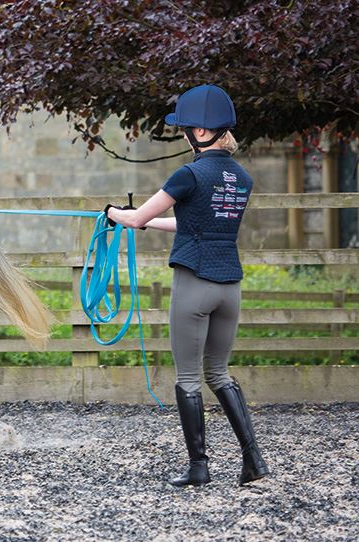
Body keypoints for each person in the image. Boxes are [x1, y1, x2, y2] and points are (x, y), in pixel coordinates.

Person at [106, 84, 269, 487]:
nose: (182, 134)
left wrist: (114, 213)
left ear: (200, 132)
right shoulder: (241, 177)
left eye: (184, 129)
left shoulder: (188, 174)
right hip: (229, 287)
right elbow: (194, 224)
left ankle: (199, 467)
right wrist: (143, 220)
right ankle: (253, 460)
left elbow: (134, 218)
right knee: (219, 372)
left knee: (188, 378)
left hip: (194, 283)